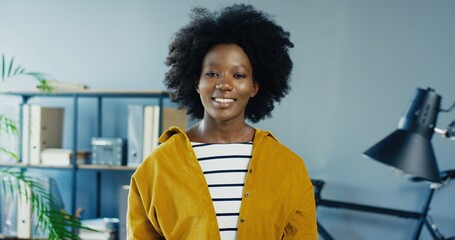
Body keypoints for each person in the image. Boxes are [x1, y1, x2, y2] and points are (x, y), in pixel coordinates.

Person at [127, 4, 317, 240]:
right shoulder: (156, 167)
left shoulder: (289, 168)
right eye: (212, 73)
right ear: (196, 83)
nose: (224, 84)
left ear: (254, 87)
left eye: (238, 75)